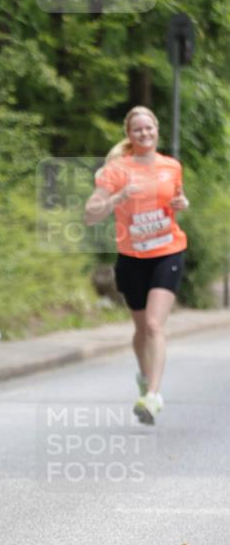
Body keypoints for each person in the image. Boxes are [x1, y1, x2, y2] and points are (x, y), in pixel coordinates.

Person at [84, 106, 189, 424]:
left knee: (155, 325)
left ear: (157, 129)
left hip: (168, 250)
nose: (144, 133)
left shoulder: (171, 166)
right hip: (132, 257)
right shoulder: (117, 170)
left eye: (149, 127)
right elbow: (90, 214)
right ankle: (145, 377)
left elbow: (177, 200)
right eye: (138, 129)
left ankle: (153, 395)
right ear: (129, 135)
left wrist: (182, 203)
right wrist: (117, 198)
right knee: (141, 329)